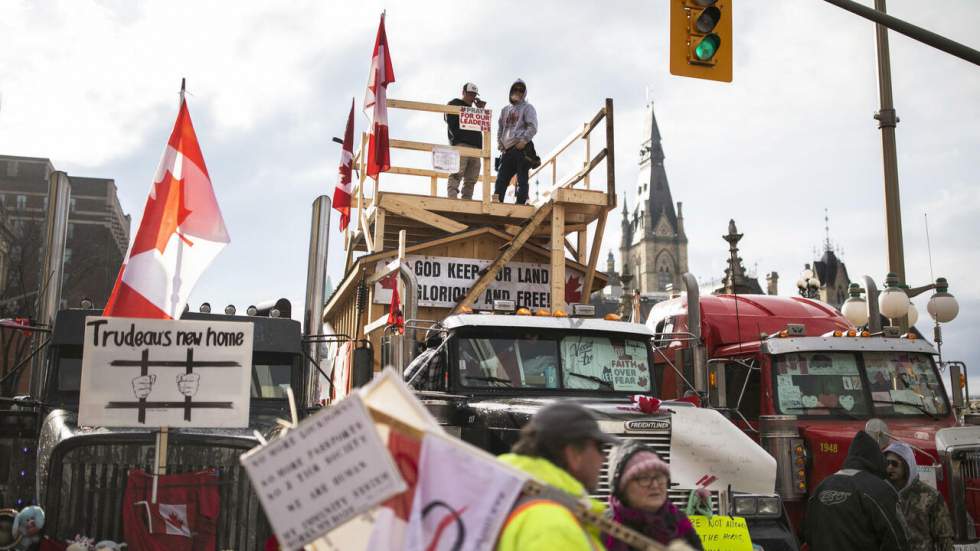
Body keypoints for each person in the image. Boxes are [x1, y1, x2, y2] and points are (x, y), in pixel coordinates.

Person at [495, 402, 614, 551]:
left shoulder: (514, 499)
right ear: (574, 454)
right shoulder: (555, 526)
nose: (604, 458)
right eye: (600, 447)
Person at [805, 430, 910, 551]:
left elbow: (807, 533)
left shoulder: (822, 486)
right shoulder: (879, 489)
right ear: (876, 459)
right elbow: (897, 539)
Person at [605, 441, 703, 550]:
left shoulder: (679, 522)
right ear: (622, 488)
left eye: (659, 476)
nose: (655, 485)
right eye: (644, 478)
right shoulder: (604, 527)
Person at [884, 442, 954, 551]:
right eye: (886, 463)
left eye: (894, 463)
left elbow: (944, 538)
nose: (889, 467)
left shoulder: (930, 497)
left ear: (907, 464)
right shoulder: (882, 494)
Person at [494, 79, 537, 205]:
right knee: (501, 180)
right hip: (507, 150)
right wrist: (500, 143)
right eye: (515, 89)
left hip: (521, 149)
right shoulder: (505, 110)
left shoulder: (528, 108)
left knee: (522, 179)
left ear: (524, 93)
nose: (518, 92)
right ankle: (497, 203)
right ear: (511, 91)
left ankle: (521, 204)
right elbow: (500, 129)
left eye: (521, 90)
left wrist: (524, 141)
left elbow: (533, 126)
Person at [445, 82, 486, 200]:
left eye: (474, 95)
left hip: (476, 148)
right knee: (457, 173)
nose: (472, 97)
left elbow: (483, 126)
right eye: (469, 94)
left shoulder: (474, 111)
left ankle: (467, 199)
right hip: (461, 145)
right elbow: (451, 122)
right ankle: (452, 198)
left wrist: (481, 110)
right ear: (463, 93)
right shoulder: (455, 103)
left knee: (472, 178)